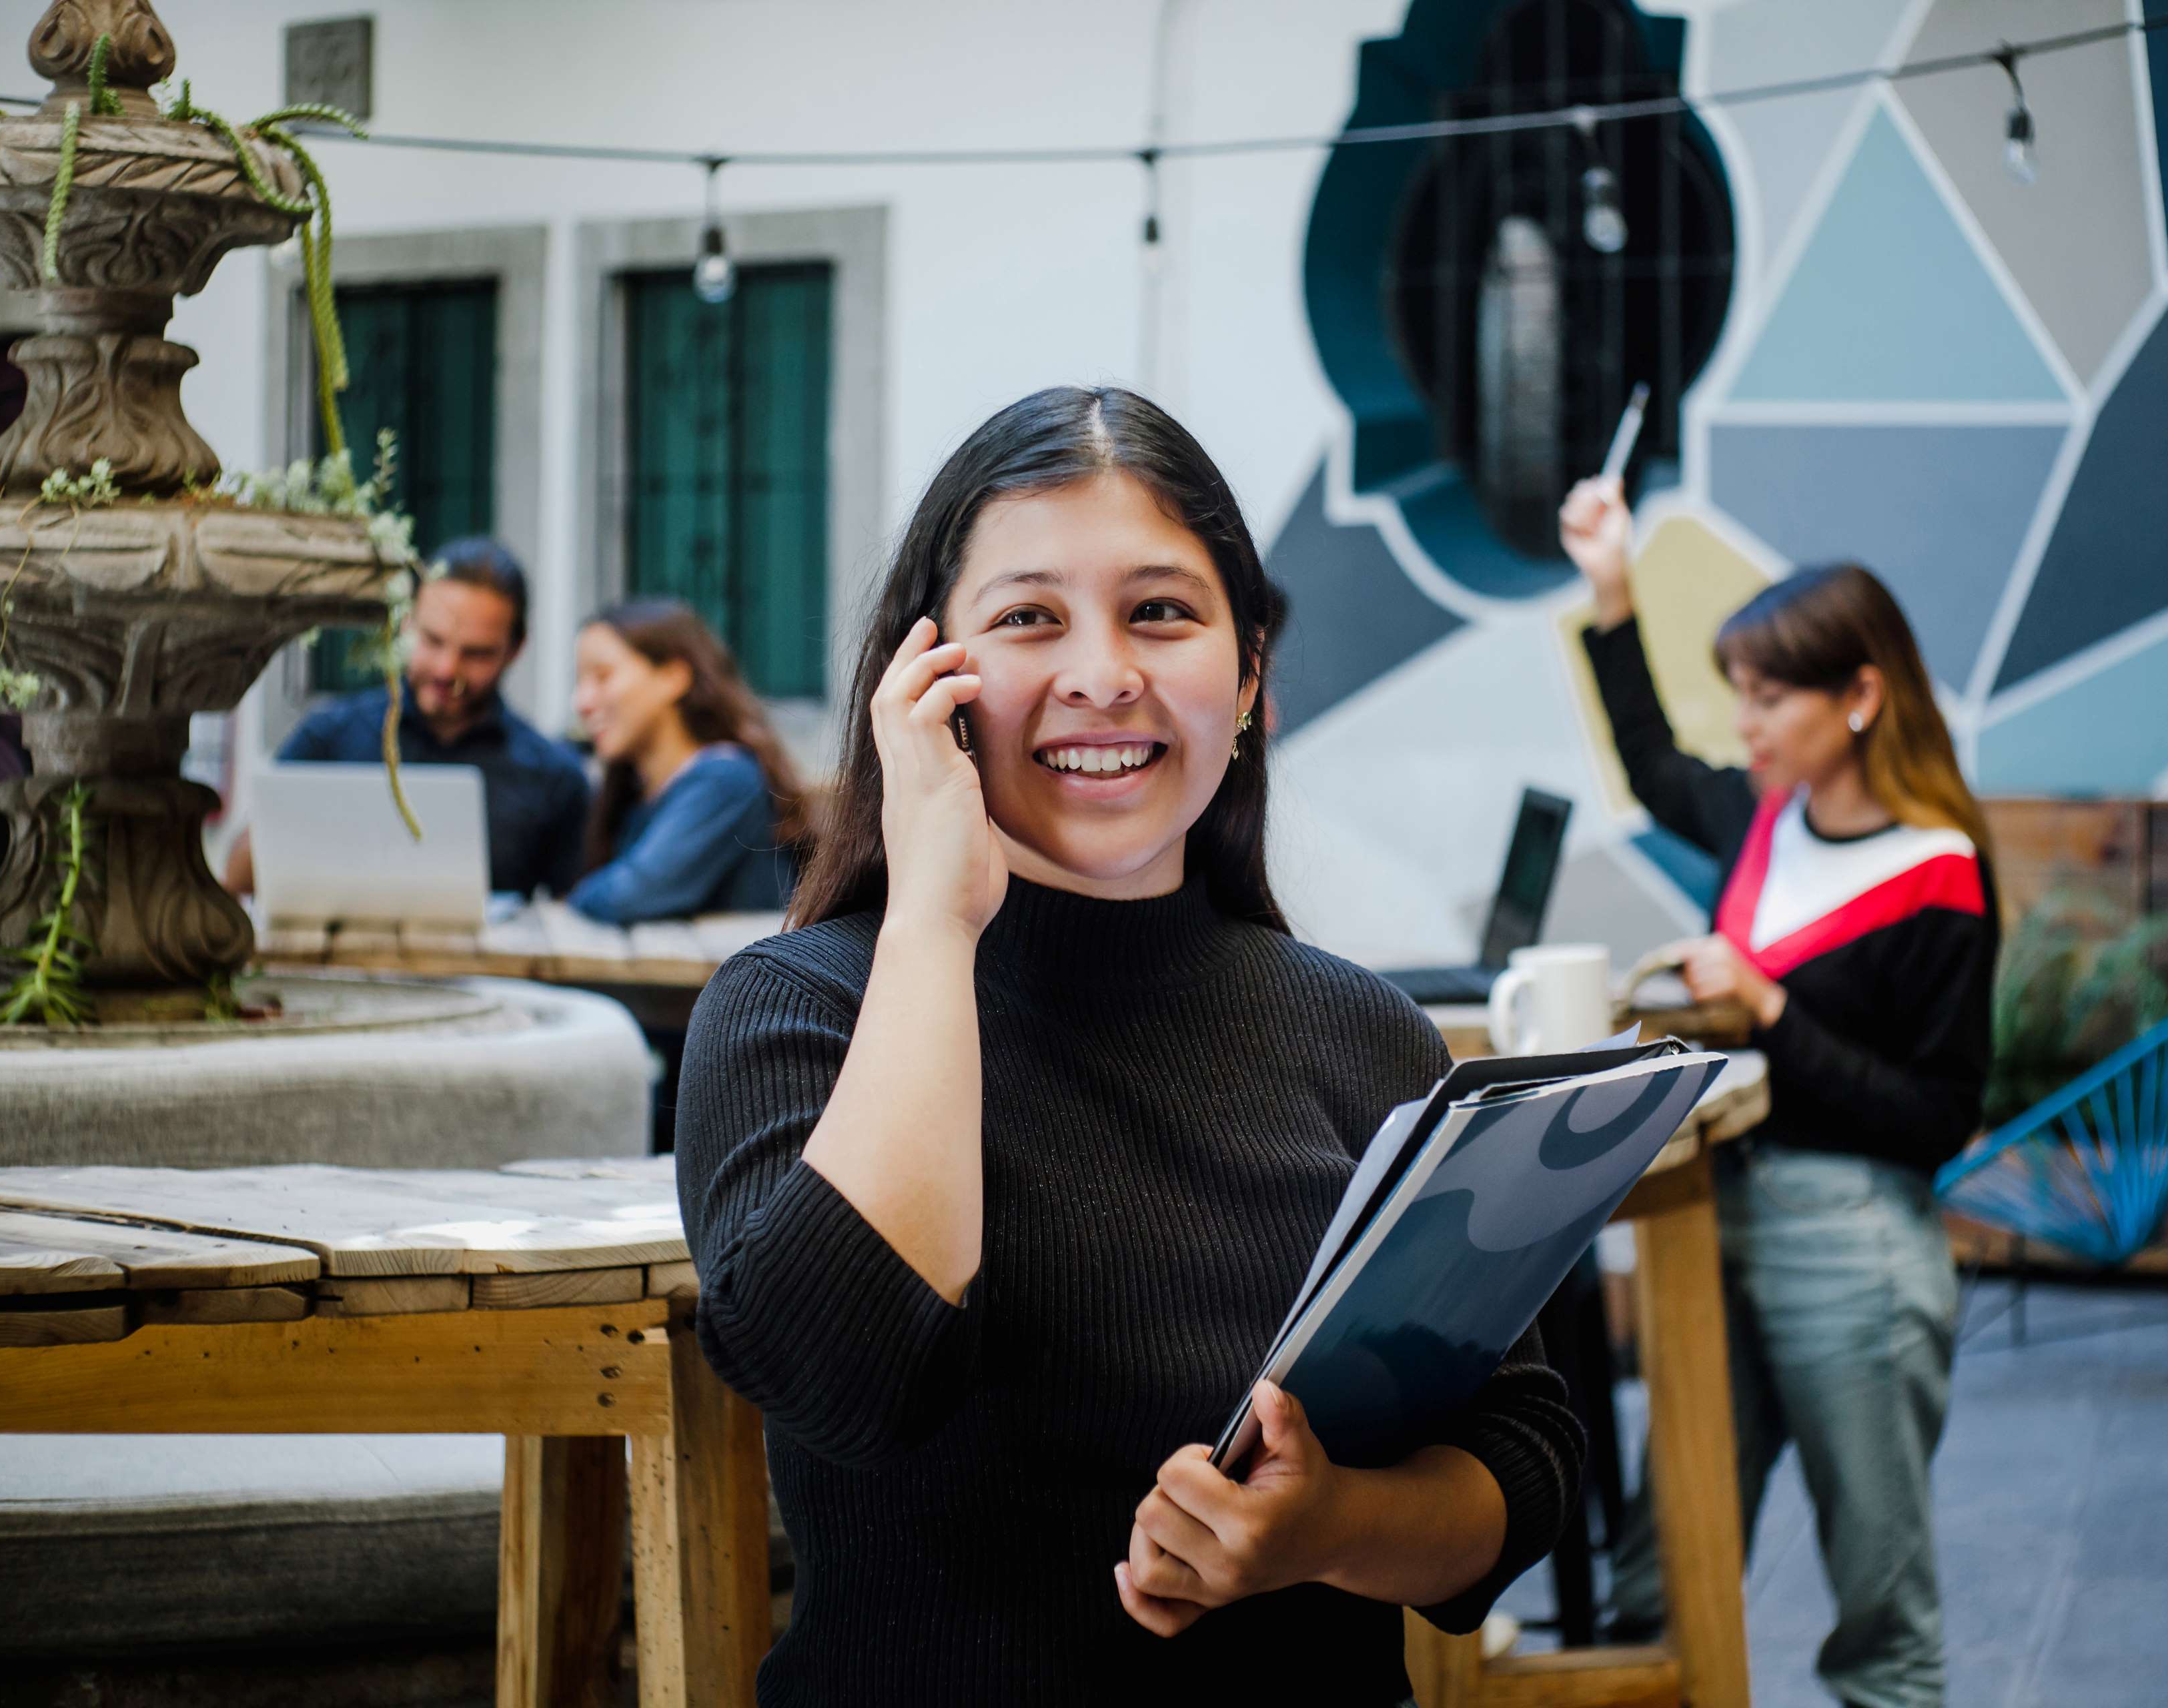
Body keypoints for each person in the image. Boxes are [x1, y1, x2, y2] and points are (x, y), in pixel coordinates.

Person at [674, 386, 1581, 1707]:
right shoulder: (795, 1007)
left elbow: (1523, 1455)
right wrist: (935, 915)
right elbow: (843, 1377)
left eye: (1161, 610)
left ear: (1252, 670)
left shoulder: (1363, 1028)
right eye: (1030, 616)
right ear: (926, 681)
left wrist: (1330, 1526)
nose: (1103, 673)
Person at [1560, 476, 1997, 1708]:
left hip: (1856, 1248)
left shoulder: (1939, 873)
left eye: (1769, 699)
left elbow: (1935, 1117)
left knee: (1880, 1625)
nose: (1744, 725)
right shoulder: (1764, 820)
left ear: (1861, 697)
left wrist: (1769, 1014)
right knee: (1665, 1573)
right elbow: (1653, 761)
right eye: (1740, 697)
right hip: (1722, 1217)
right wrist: (1611, 585)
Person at [223, 537, 589, 901]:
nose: (448, 669)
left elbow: (568, 922)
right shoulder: (331, 735)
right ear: (406, 623)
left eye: (476, 654)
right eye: (432, 640)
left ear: (515, 650)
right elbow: (238, 881)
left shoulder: (555, 777)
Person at [566, 600, 808, 925]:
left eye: (603, 676)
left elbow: (631, 894)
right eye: (580, 682)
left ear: (673, 676)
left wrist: (578, 895)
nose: (581, 702)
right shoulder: (637, 788)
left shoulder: (725, 779)